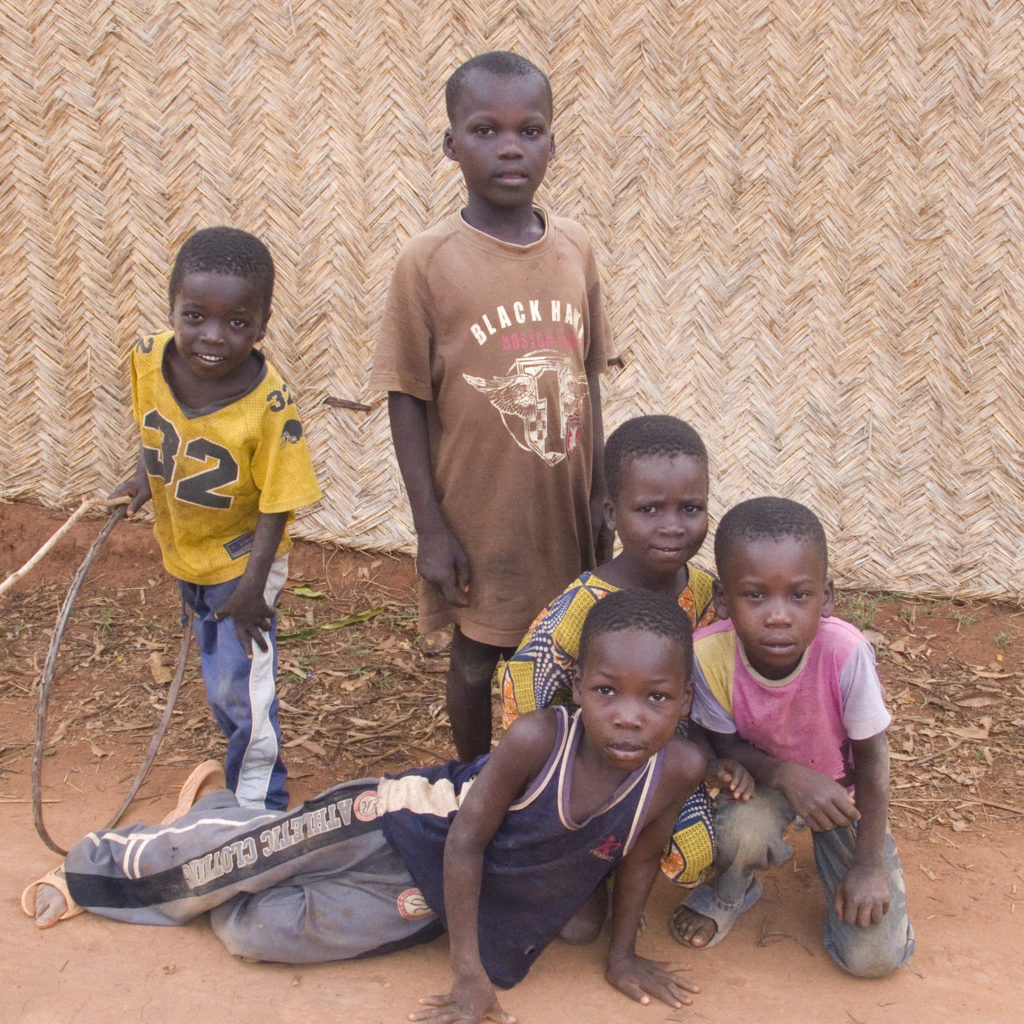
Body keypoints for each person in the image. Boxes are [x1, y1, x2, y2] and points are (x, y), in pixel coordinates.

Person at [23, 589, 707, 1023]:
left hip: (441, 892)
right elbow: (466, 840)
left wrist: (622, 955)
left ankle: (227, 823)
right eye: (607, 692)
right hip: (394, 823)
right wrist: (468, 975)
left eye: (655, 699)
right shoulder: (537, 740)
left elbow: (642, 856)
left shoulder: (677, 769)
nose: (628, 717)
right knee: (225, 869)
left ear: (683, 703)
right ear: (580, 690)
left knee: (252, 934)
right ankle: (109, 868)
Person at [369, 51, 612, 761]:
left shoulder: (575, 250)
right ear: (450, 144)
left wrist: (600, 490)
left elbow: (590, 375)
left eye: (530, 130)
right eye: (485, 129)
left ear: (552, 144)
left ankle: (557, 792)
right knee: (477, 662)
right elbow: (406, 397)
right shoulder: (429, 261)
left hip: (562, 511)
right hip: (478, 515)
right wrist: (430, 530)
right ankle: (472, 782)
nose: (511, 146)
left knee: (567, 658)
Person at [500, 416, 752, 939]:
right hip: (592, 764)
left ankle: (636, 862)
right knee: (577, 930)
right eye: (649, 510)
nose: (673, 527)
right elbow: (524, 697)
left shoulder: (711, 595)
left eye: (692, 508)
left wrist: (721, 757)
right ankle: (591, 857)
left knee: (701, 850)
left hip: (677, 760)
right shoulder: (579, 608)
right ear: (613, 514)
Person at [110, 227, 322, 810]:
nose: (212, 336)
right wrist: (144, 477)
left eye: (236, 323)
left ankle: (258, 807)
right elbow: (153, 420)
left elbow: (281, 501)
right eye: (196, 316)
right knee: (219, 671)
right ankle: (242, 768)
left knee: (242, 683)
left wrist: (254, 588)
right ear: (172, 306)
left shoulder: (271, 407)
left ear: (262, 325)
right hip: (186, 548)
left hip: (242, 563)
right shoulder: (148, 356)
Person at [671, 497, 915, 978]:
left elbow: (872, 762)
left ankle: (857, 872)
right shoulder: (709, 655)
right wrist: (786, 775)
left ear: (826, 597)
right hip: (766, 784)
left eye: (798, 596)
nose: (778, 616)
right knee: (738, 830)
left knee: (872, 959)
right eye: (755, 596)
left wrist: (867, 864)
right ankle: (733, 888)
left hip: (843, 796)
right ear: (722, 599)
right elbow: (723, 745)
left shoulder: (845, 653)